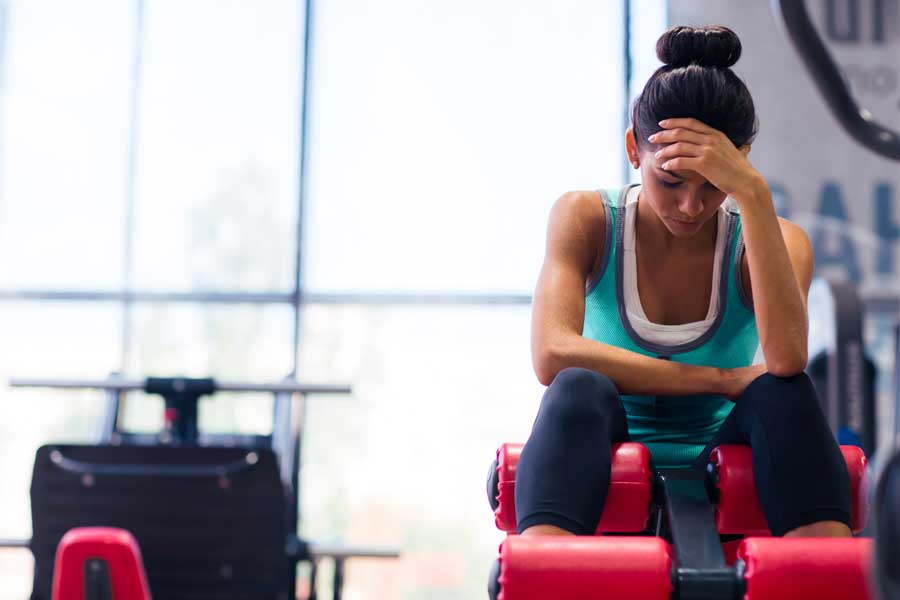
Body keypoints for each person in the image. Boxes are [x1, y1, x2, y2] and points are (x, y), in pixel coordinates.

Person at [516, 25, 852, 540]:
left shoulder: (776, 240)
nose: (691, 206)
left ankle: (820, 575)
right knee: (576, 387)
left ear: (742, 161)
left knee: (784, 392)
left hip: (726, 443)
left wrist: (754, 195)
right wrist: (717, 380)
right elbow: (552, 354)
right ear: (635, 149)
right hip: (601, 441)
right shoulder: (586, 218)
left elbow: (785, 360)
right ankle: (549, 570)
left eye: (715, 184)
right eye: (670, 180)